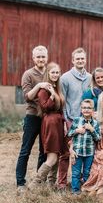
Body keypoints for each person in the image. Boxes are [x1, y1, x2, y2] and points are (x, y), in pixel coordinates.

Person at [16, 45, 50, 193]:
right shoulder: (28, 74)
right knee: (26, 150)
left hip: (47, 118)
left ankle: (39, 181)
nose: (41, 59)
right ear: (33, 58)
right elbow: (27, 96)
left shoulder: (50, 72)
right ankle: (20, 183)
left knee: (44, 151)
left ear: (47, 57)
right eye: (38, 57)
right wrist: (40, 85)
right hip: (32, 117)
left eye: (43, 56)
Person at [58, 47, 92, 190]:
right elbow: (63, 101)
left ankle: (84, 181)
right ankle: (62, 182)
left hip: (86, 120)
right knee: (67, 152)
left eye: (82, 58)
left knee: (86, 152)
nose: (80, 61)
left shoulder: (90, 77)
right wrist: (66, 121)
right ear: (73, 60)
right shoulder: (65, 78)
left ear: (85, 60)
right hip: (71, 119)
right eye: (77, 58)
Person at [28, 62, 66, 189]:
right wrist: (52, 96)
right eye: (53, 72)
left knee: (58, 154)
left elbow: (61, 108)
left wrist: (64, 123)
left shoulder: (57, 87)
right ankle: (34, 184)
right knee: (52, 157)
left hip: (58, 122)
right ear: (48, 74)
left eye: (57, 72)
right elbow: (45, 107)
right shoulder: (44, 89)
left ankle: (51, 184)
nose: (55, 74)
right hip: (50, 122)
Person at [68, 99, 101, 195]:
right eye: (84, 108)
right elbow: (69, 134)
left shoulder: (95, 123)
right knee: (76, 172)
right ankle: (75, 190)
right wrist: (76, 131)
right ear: (81, 109)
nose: (86, 110)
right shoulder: (76, 121)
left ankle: (86, 188)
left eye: (89, 108)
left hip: (89, 152)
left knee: (87, 172)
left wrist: (92, 130)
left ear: (93, 110)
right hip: (77, 152)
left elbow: (98, 138)